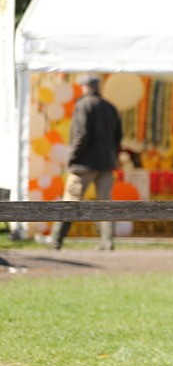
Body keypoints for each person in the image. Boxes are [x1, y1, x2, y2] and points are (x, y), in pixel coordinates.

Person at [42, 74, 123, 250]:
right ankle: (107, 241)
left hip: (84, 163)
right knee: (105, 203)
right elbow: (118, 137)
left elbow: (81, 134)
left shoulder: (83, 105)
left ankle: (56, 239)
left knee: (70, 200)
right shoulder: (110, 107)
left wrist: (72, 157)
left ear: (86, 87)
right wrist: (112, 156)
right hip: (107, 162)